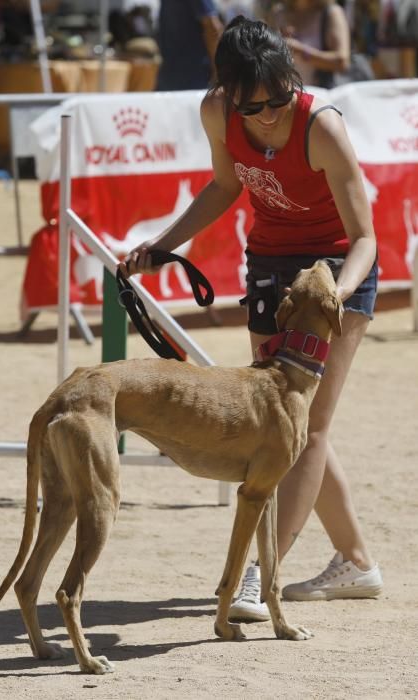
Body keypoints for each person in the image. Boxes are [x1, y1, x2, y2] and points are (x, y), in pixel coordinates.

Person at [119, 15, 383, 622]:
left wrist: (335, 293)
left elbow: (365, 236)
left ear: (291, 81)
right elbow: (223, 185)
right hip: (270, 264)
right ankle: (356, 559)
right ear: (229, 93)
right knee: (283, 425)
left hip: (336, 270)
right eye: (252, 106)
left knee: (307, 422)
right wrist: (163, 246)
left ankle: (260, 575)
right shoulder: (217, 112)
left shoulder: (322, 126)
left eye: (277, 100)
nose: (267, 115)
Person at [268, 0, 352, 88]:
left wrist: (301, 51)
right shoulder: (278, 12)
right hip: (284, 94)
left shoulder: (332, 12)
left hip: (320, 94)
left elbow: (342, 62)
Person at [155, 0, 224, 90]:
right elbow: (213, 28)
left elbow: (212, 28)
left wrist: (218, 72)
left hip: (192, 76)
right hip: (185, 76)